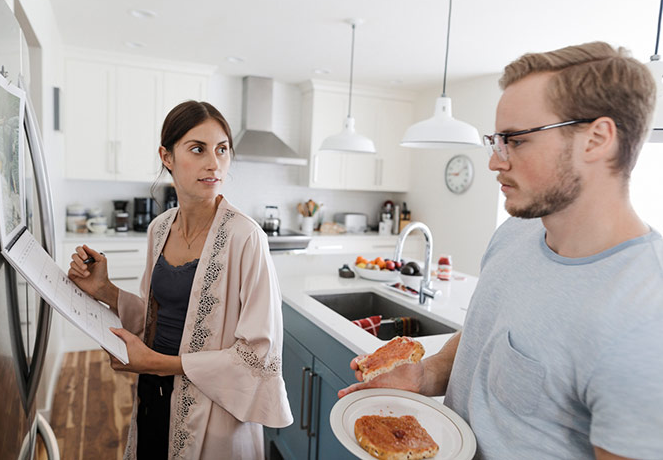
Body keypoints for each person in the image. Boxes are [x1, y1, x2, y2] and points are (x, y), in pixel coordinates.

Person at [339, 42, 663, 459]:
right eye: (497, 140)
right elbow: (483, 338)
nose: (495, 161)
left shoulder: (645, 314)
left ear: (596, 139)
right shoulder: (515, 233)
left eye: (516, 140)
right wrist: (423, 376)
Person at [68, 101, 293, 459]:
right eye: (197, 148)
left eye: (222, 150)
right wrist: (104, 291)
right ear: (167, 157)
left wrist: (155, 363)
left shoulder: (246, 238)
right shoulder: (159, 229)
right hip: (153, 397)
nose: (213, 163)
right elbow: (159, 316)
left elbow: (257, 357)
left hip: (214, 416)